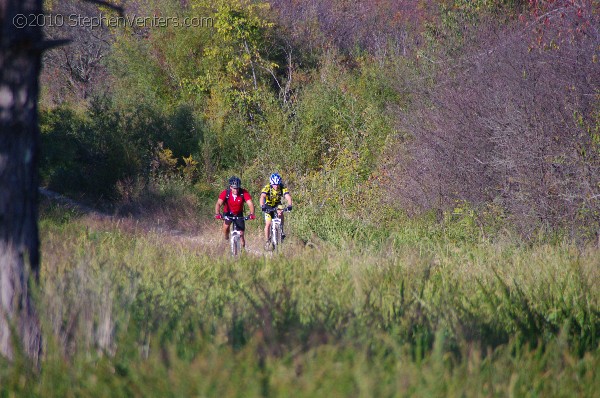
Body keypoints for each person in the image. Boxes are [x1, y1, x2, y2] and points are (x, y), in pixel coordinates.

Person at [214, 176, 255, 249]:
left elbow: (250, 204)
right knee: (226, 227)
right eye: (234, 188)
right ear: (230, 187)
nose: (236, 190)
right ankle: (226, 239)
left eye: (237, 188)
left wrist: (252, 214)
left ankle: (242, 250)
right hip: (228, 213)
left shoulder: (243, 193)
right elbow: (218, 203)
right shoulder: (225, 193)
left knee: (241, 235)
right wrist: (217, 213)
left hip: (239, 214)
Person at [259, 172, 293, 249]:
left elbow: (288, 197)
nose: (276, 186)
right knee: (268, 224)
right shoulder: (267, 187)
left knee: (280, 212)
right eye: (274, 184)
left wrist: (290, 205)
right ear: (271, 183)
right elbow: (262, 197)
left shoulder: (282, 187)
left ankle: (281, 230)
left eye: (277, 184)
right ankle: (267, 241)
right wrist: (262, 206)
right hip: (268, 205)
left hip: (277, 204)